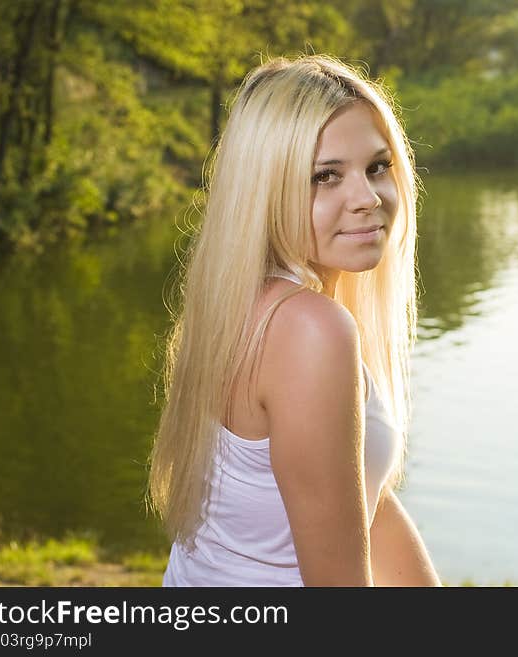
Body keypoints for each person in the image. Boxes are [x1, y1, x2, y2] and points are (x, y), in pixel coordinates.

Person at [147, 53, 441, 587]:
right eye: (325, 176)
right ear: (267, 187)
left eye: (377, 166)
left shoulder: (242, 304)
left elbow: (365, 503)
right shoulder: (309, 328)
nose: (368, 198)